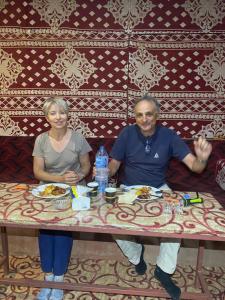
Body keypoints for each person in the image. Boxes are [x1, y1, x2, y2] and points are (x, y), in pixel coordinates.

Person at [107, 95, 212, 300]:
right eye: (139, 115)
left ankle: (163, 270)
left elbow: (195, 167)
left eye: (148, 114)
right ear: (135, 117)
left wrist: (201, 158)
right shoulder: (127, 134)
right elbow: (114, 165)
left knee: (177, 219)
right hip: (129, 187)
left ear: (157, 115)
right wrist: (104, 170)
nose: (144, 119)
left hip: (159, 188)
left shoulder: (169, 136)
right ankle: (136, 255)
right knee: (109, 220)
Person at [32, 97, 92, 300]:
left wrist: (80, 176)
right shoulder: (41, 139)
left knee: (63, 229)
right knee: (46, 228)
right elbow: (38, 172)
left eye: (62, 112)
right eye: (53, 113)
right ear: (47, 117)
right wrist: (59, 179)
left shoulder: (78, 138)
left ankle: (59, 279)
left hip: (74, 191)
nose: (58, 117)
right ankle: (47, 276)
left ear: (68, 114)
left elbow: (86, 166)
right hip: (48, 191)